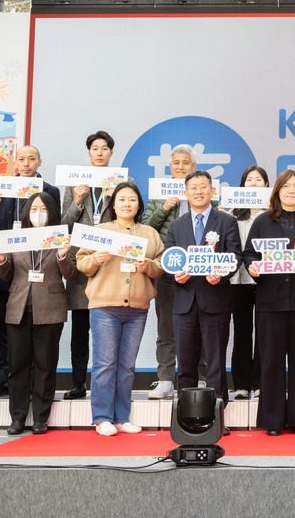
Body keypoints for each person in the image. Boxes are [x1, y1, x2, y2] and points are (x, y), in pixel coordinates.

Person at [243, 171, 295, 435]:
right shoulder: (262, 221)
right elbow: (249, 253)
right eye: (286, 186)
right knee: (271, 361)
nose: (291, 191)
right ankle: (273, 420)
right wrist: (252, 267)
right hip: (271, 301)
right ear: (277, 191)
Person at [75, 181, 163, 436]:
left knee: (127, 365)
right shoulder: (100, 230)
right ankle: (102, 417)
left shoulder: (150, 234)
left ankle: (122, 416)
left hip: (137, 306)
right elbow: (81, 262)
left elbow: (161, 264)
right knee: (104, 364)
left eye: (132, 200)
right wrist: (95, 259)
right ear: (114, 204)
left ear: (139, 205)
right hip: (105, 305)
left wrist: (147, 266)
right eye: (122, 199)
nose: (127, 204)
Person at [0, 144, 62, 400]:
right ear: (15, 162)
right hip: (8, 268)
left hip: (38, 268)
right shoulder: (4, 188)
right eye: (21, 159)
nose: (26, 163)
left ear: (40, 161)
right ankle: (1, 380)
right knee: (3, 329)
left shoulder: (50, 191)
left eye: (31, 159)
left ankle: (32, 385)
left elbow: (56, 224)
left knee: (36, 335)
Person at [0, 192, 74, 435]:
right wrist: (0, 260)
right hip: (18, 307)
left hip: (50, 308)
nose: (38, 213)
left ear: (52, 212)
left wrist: (62, 255)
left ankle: (40, 417)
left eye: (43, 209)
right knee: (17, 365)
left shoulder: (61, 237)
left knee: (45, 365)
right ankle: (17, 418)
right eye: (34, 208)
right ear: (26, 212)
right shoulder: (15, 238)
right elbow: (5, 275)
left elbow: (72, 274)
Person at [164, 170, 243, 409]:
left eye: (203, 187)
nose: (198, 191)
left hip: (215, 300)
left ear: (212, 190)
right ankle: (187, 416)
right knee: (185, 363)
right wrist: (175, 274)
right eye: (193, 188)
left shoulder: (226, 221)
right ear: (185, 193)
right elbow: (169, 258)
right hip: (184, 301)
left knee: (215, 361)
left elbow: (235, 256)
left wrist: (221, 273)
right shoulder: (177, 225)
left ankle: (218, 415)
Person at [60, 130, 115, 400]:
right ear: (89, 152)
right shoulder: (74, 183)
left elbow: (126, 220)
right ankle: (77, 383)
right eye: (95, 148)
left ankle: (104, 384)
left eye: (104, 148)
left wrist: (111, 198)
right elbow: (64, 224)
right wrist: (79, 201)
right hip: (81, 264)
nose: (100, 152)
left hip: (108, 264)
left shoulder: (120, 182)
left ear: (111, 153)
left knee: (107, 329)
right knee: (80, 330)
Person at [142, 144, 197, 399]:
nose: (180, 167)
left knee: (200, 326)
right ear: (170, 166)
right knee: (167, 326)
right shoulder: (158, 194)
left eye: (185, 163)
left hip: (199, 269)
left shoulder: (204, 191)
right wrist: (164, 208)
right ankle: (165, 378)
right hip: (166, 268)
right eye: (176, 163)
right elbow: (145, 228)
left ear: (193, 167)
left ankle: (201, 378)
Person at [230, 166, 268, 399]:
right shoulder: (233, 214)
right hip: (239, 280)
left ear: (266, 185)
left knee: (265, 333)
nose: (253, 184)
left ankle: (261, 382)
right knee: (242, 332)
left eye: (258, 180)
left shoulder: (272, 214)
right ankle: (242, 384)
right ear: (242, 185)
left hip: (266, 279)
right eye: (249, 180)